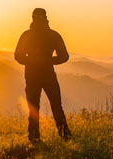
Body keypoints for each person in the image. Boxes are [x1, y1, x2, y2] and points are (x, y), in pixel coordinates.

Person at [14, 8, 71, 143]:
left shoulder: (27, 35)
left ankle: (34, 138)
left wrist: (32, 61)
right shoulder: (53, 35)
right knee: (56, 106)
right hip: (48, 74)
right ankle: (65, 136)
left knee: (33, 107)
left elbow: (18, 56)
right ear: (46, 18)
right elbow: (64, 56)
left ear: (32, 18)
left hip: (32, 75)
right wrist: (49, 61)